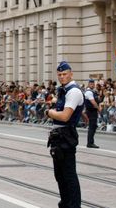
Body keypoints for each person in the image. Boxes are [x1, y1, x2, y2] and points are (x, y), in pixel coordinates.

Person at [46, 61, 83, 208]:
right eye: (59, 75)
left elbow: (65, 116)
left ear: (71, 73)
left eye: (64, 74)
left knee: (68, 175)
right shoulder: (64, 90)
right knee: (60, 175)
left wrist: (49, 113)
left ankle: (73, 205)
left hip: (66, 135)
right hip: (59, 135)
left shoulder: (73, 91)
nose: (62, 77)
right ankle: (66, 203)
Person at [84, 79, 100, 148]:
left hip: (93, 111)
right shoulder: (89, 92)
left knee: (93, 126)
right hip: (91, 111)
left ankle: (90, 142)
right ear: (88, 84)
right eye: (91, 84)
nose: (92, 85)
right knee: (92, 127)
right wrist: (98, 109)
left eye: (93, 84)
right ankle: (90, 143)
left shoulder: (93, 92)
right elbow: (93, 102)